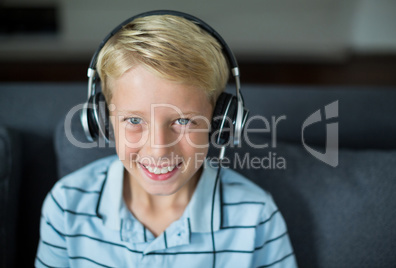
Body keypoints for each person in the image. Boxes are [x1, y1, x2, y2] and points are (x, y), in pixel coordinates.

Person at [35, 11, 297, 268]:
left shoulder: (256, 217)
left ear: (220, 121)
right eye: (134, 121)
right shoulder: (66, 205)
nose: (159, 149)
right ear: (104, 119)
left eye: (183, 121)